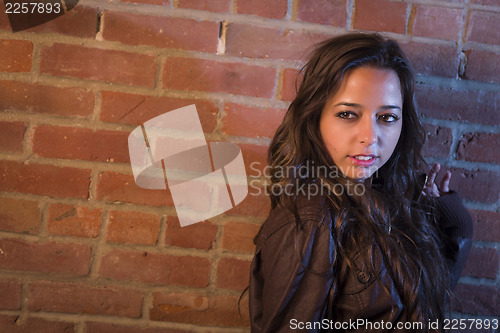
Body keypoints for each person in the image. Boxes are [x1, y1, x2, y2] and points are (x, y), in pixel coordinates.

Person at [248, 33, 473, 333]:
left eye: (387, 117)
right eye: (347, 114)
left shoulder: (390, 197)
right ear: (314, 117)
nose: (370, 136)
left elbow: (428, 302)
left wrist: (452, 222)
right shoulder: (310, 221)